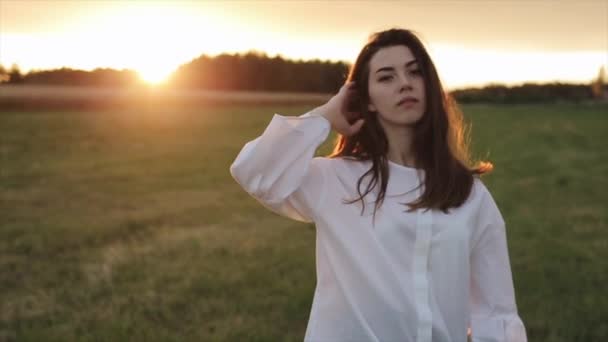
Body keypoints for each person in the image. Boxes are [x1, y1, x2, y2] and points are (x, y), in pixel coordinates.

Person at [230, 28, 527, 342]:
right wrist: (326, 115)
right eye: (386, 77)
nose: (405, 83)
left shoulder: (468, 194)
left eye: (415, 72)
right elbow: (255, 171)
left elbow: (496, 312)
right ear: (366, 100)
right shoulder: (334, 179)